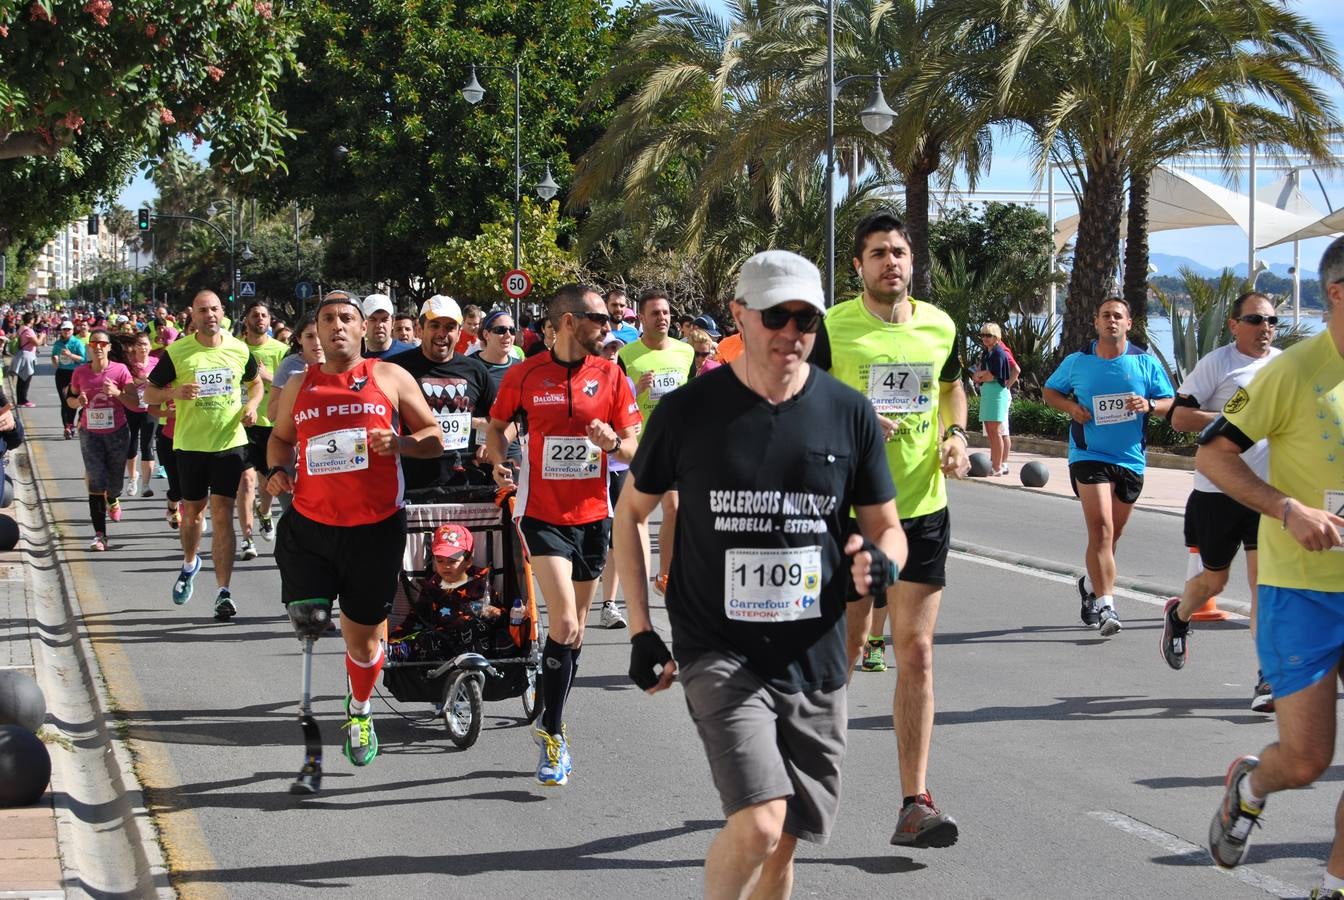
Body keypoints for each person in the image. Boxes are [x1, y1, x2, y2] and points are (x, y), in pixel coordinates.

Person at [613, 249, 907, 898]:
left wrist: (883, 561)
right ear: (740, 315)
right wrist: (640, 629)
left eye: (806, 319)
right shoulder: (688, 412)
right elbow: (630, 514)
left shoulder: (848, 413)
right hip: (717, 647)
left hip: (815, 653)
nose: (791, 332)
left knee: (783, 845)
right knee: (761, 823)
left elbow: (887, 526)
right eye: (777, 315)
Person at [812, 210, 970, 849]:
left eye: (898, 252)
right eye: (877, 253)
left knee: (917, 651)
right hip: (851, 513)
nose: (890, 262)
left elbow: (952, 388)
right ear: (858, 266)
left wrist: (956, 435)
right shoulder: (832, 327)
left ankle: (915, 802)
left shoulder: (941, 325)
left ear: (911, 260)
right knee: (847, 647)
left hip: (923, 507)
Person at [1199, 237, 1344, 896]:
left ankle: (1332, 885)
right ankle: (1251, 786)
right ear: (1337, 293)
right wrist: (1287, 509)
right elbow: (1214, 456)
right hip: (1301, 590)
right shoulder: (1290, 373)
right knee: (1308, 759)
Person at [266, 289, 443, 769]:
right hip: (311, 525)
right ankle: (310, 611)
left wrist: (400, 443)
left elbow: (434, 438)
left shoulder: (390, 376)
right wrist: (277, 470)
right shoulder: (299, 385)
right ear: (316, 332)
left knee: (362, 643)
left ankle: (360, 709)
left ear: (363, 328)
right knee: (308, 615)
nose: (337, 325)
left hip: (375, 528)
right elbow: (279, 440)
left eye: (347, 317)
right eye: (328, 318)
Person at [485, 283, 641, 787]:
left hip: (593, 515)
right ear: (569, 321)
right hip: (542, 513)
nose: (608, 327)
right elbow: (497, 427)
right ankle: (552, 733)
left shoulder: (612, 375)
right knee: (565, 620)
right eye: (600, 319)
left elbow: (634, 449)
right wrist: (498, 459)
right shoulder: (525, 373)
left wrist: (612, 443)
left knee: (574, 634)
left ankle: (552, 715)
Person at [1161, 291, 1281, 713]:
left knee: (1264, 588)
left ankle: (1268, 677)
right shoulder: (1218, 363)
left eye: (1271, 321)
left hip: (1265, 493)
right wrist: (1236, 420)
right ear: (1233, 325)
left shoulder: (1284, 366)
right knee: (1213, 583)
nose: (1265, 328)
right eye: (1255, 320)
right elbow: (1178, 417)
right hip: (1217, 492)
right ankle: (1179, 615)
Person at [1043, 297, 1174, 636]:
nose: (1111, 321)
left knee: (1112, 536)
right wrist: (1071, 408)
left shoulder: (1144, 362)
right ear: (1096, 322)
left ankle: (1090, 586)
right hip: (1089, 454)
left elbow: (1170, 401)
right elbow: (1050, 391)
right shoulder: (1078, 361)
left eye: (1118, 316)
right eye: (1105, 315)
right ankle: (1106, 607)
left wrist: (1149, 405)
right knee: (1101, 530)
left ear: (1129, 323)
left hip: (1130, 458)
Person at [144, 290, 263, 620]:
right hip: (191, 445)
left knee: (223, 513)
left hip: (229, 442)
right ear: (193, 316)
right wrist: (174, 392)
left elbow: (255, 384)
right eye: (202, 311)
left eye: (214, 309)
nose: (209, 315)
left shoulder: (239, 349)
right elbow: (149, 393)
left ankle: (223, 592)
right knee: (193, 513)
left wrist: (252, 406)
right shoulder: (178, 352)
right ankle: (189, 563)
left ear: (222, 312)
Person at [619, 288, 695, 596]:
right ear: (641, 318)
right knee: (636, 516)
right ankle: (633, 577)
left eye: (665, 312)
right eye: (655, 313)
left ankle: (666, 574)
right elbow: (616, 401)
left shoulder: (685, 352)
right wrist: (636, 389)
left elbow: (693, 395)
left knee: (674, 507)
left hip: (675, 445)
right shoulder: (627, 355)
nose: (662, 318)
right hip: (638, 446)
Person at [386, 296, 495, 490]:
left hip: (463, 482)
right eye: (434, 326)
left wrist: (490, 443)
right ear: (420, 330)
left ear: (459, 333)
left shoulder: (476, 370)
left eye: (449, 327)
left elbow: (500, 419)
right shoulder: (395, 369)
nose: (442, 333)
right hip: (410, 483)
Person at [67, 328, 137, 551]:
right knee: (96, 481)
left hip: (117, 433)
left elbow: (135, 402)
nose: (98, 347)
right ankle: (100, 535)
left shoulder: (120, 370)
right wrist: (78, 401)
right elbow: (69, 400)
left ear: (109, 347)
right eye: (94, 344)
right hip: (90, 434)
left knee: (114, 483)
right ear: (89, 347)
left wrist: (117, 393)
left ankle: (113, 498)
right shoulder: (80, 372)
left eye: (102, 344)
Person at [235, 302, 290, 553]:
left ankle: (265, 512)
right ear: (246, 320)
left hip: (272, 425)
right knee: (247, 481)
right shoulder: (235, 349)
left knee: (267, 481)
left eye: (264, 315)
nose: (260, 319)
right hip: (241, 424)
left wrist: (268, 377)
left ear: (269, 320)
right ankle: (247, 538)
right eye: (255, 315)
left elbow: (294, 386)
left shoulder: (281, 350)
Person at [596, 333, 631, 629]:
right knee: (590, 537)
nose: (611, 353)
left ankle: (609, 604)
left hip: (618, 467)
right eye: (605, 348)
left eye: (615, 349)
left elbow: (633, 428)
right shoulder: (577, 381)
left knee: (616, 537)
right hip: (583, 470)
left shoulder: (624, 382)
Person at [972, 322, 1019, 476]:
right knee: (990, 431)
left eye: (989, 335)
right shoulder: (987, 353)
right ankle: (994, 463)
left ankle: (998, 466)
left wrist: (981, 376)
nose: (985, 338)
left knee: (997, 431)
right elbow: (982, 373)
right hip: (988, 393)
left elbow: (992, 375)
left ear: (996, 337)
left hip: (997, 394)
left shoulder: (999, 353)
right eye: (983, 335)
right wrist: (981, 375)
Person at [120, 331, 158, 498]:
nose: (143, 347)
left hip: (150, 409)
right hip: (131, 408)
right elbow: (124, 383)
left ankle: (146, 485)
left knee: (147, 445)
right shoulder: (128, 364)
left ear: (150, 346)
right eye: (139, 344)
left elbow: (164, 382)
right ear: (134, 347)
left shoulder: (156, 362)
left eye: (145, 344)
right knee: (131, 444)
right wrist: (143, 381)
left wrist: (154, 382)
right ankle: (132, 478)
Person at [51, 319, 86, 439]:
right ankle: (66, 427)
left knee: (71, 400)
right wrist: (54, 360)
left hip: (74, 373)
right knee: (64, 401)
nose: (66, 331)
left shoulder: (77, 343)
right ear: (61, 331)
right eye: (64, 329)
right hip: (61, 373)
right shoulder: (58, 344)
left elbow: (83, 359)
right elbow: (54, 358)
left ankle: (71, 425)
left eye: (69, 329)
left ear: (72, 330)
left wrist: (70, 355)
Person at [361, 294, 414, 360]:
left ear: (393, 322)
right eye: (373, 319)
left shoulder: (410, 354)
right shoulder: (353, 356)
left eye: (384, 319)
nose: (379, 325)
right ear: (363, 323)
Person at [11, 313, 39, 408]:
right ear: (31, 320)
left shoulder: (21, 328)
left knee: (21, 379)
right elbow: (36, 343)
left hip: (23, 354)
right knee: (25, 379)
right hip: (27, 356)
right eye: (34, 319)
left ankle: (20, 400)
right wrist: (42, 337)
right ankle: (23, 401)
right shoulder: (28, 330)